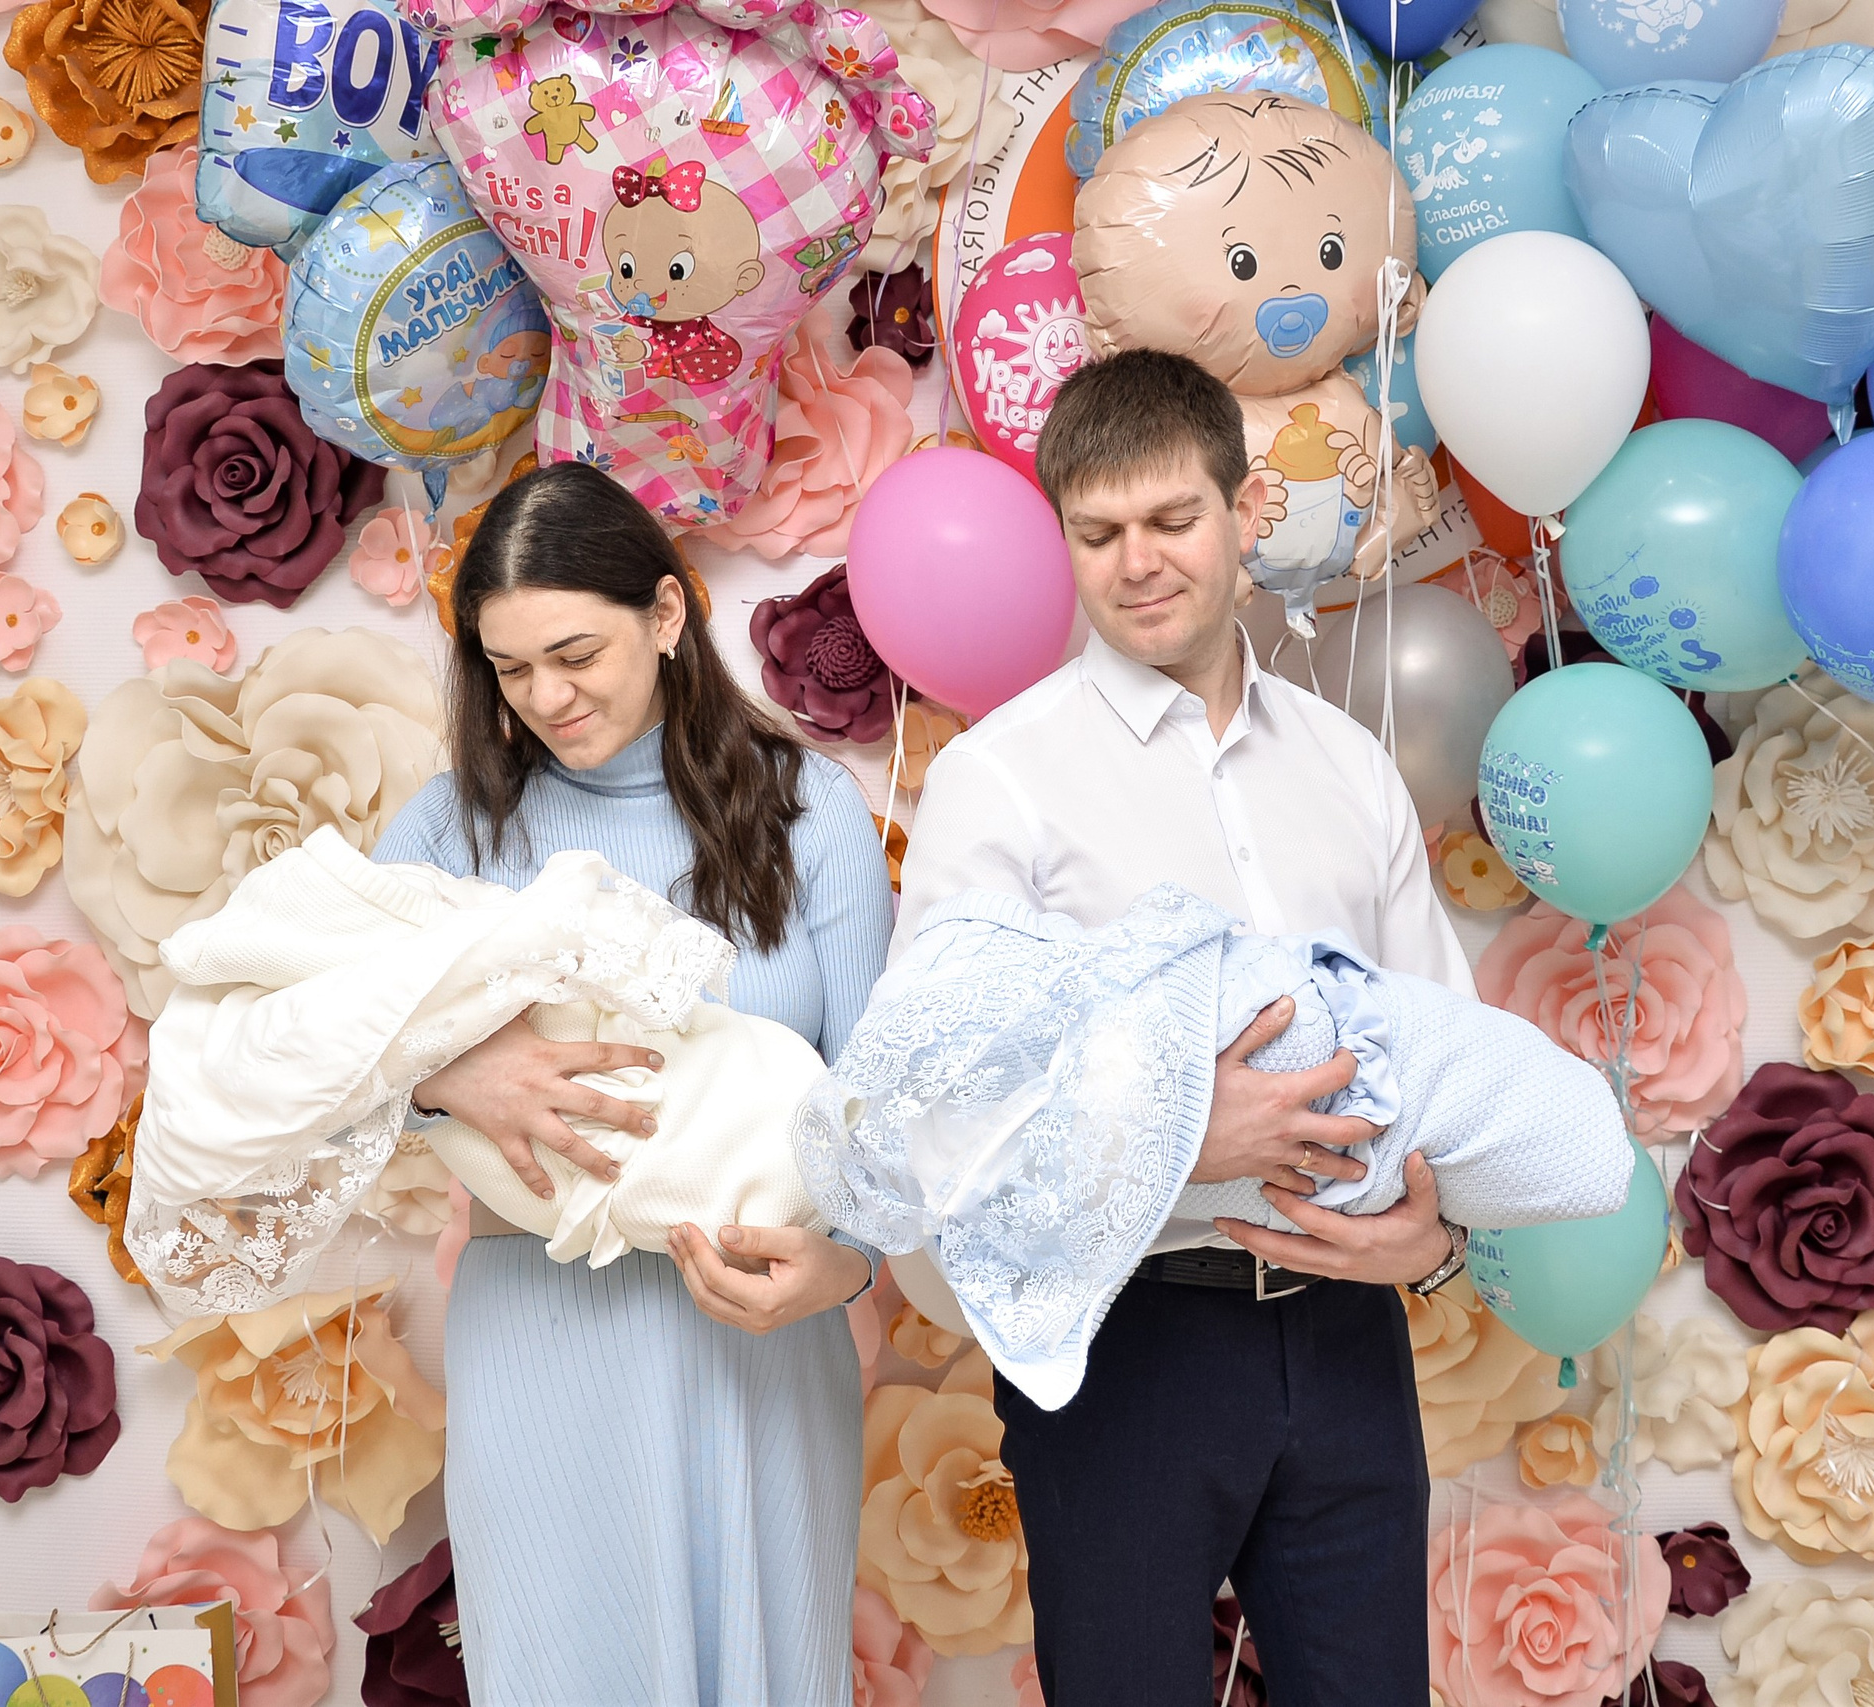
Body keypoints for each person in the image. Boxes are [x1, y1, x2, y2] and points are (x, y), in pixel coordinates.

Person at [891, 348, 1473, 1704]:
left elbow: (1440, 1042)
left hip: (1344, 1333)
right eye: (1097, 533)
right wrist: (1178, 1130)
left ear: (1247, 507)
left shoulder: (1347, 766)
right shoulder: (1002, 782)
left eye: (1171, 520)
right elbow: (942, 1108)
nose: (1137, 562)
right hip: (1118, 1344)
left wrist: (1435, 1236)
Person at [371, 458, 892, 1706]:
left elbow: (884, 1108)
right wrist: (453, 1081)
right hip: (538, 1344)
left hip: (758, 1339)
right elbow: (325, 1072)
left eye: (575, 653)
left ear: (666, 618)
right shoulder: (449, 833)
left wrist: (850, 1269)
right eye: (507, 668)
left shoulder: (808, 811)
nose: (545, 697)